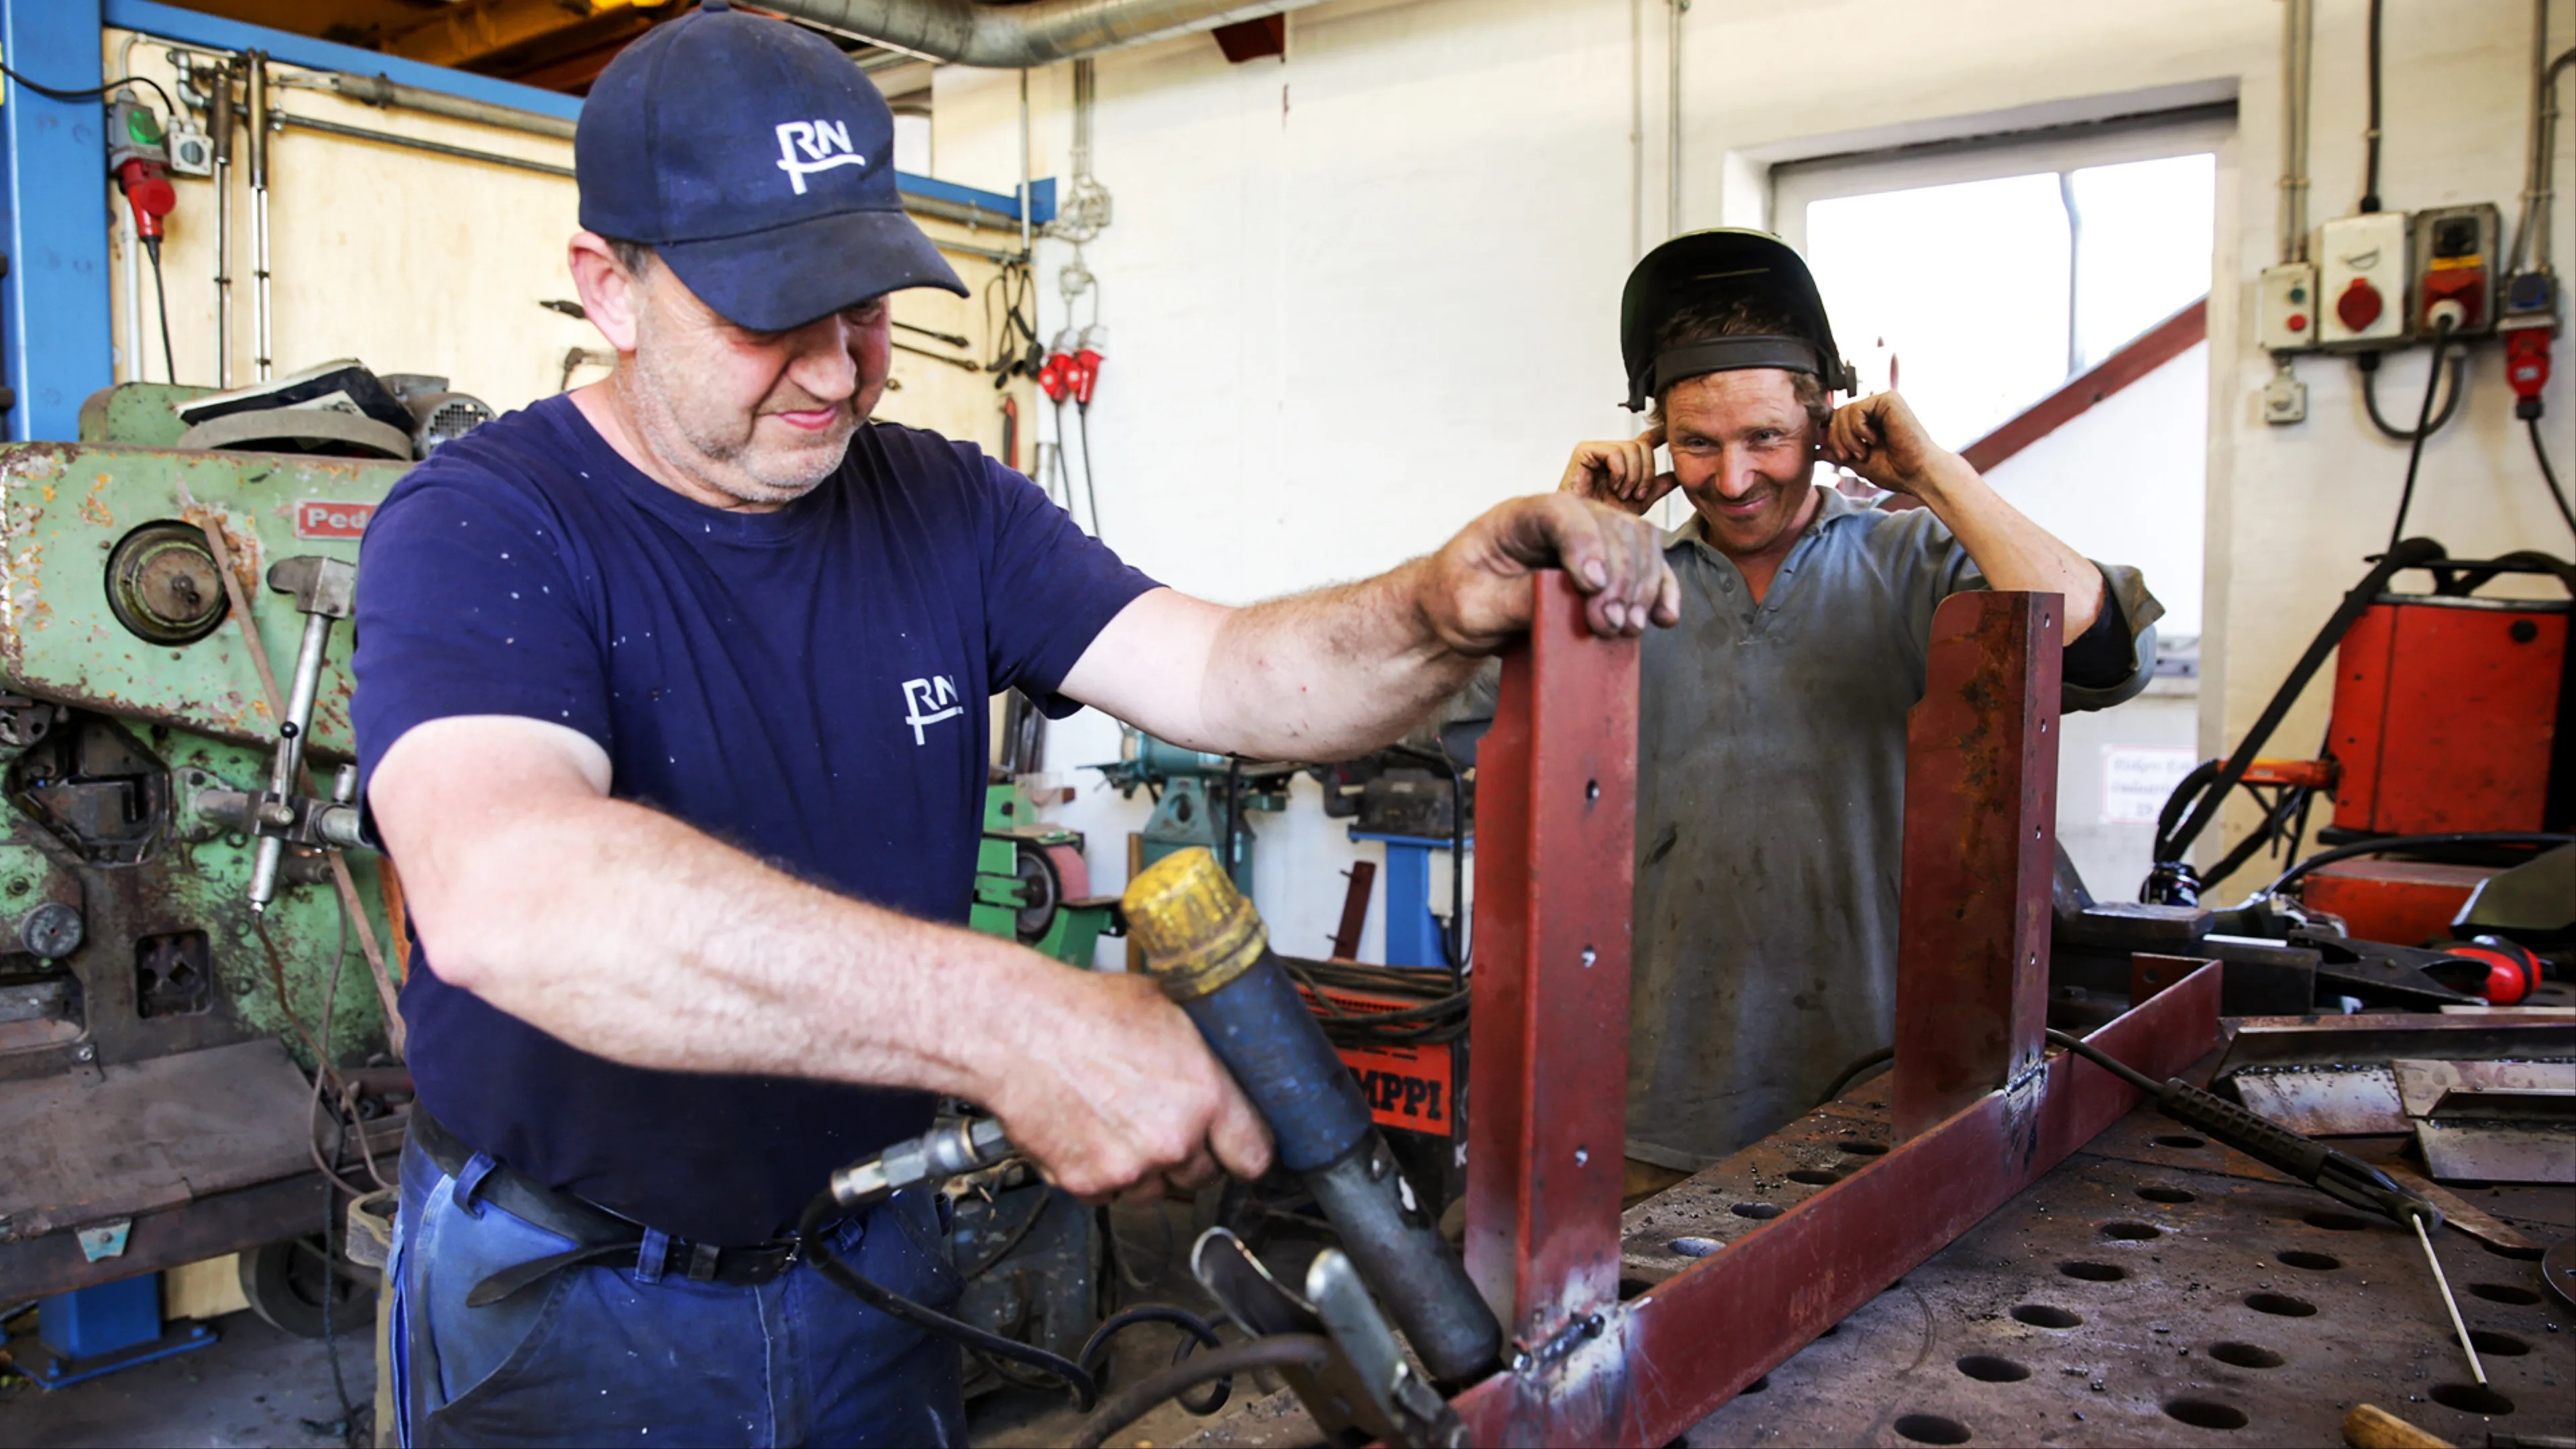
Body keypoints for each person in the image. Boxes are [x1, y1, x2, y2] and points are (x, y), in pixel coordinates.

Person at [353, 6, 1677, 1445]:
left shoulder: (942, 502)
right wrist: (1020, 1022)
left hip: (872, 1263)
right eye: (766, 318)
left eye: (862, 307)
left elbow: (1228, 672)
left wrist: (1430, 605)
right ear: (608, 288)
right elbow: (509, 889)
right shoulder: (486, 522)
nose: (836, 372)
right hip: (571, 1294)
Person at [1538, 230, 2162, 1205]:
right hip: (1656, 1106)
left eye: (1765, 440)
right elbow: (1478, 704)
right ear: (1658, 439)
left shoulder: (1918, 564)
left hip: (1885, 1100)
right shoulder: (1614, 582)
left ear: (1825, 424)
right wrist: (1565, 531)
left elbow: (2091, 639)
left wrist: (1934, 473)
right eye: (1698, 443)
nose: (1733, 478)